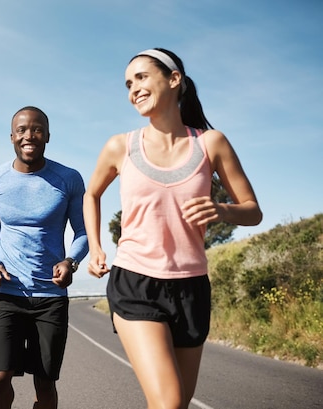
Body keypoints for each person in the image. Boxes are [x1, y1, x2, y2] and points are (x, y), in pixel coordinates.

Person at [83, 48, 263, 409]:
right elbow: (91, 194)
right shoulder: (121, 146)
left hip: (191, 287)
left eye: (142, 77)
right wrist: (96, 246)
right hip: (135, 282)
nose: (133, 88)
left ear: (174, 79)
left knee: (177, 403)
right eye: (128, 84)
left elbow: (252, 211)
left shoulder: (211, 143)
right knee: (167, 402)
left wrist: (220, 209)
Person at [0, 106, 89, 409]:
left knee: (45, 383)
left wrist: (71, 262)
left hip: (50, 297)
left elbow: (83, 232)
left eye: (37, 129)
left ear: (48, 136)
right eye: (22, 130)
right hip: (7, 295)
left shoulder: (68, 179)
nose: (29, 135)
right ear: (12, 136)